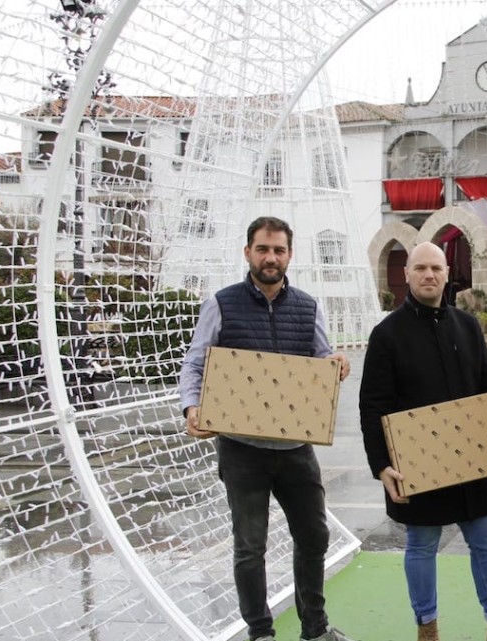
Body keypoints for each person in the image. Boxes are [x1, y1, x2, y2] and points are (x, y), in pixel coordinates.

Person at [179, 216, 357, 641]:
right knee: (250, 546)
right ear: (248, 253)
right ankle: (260, 632)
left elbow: (322, 359)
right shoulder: (222, 303)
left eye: (278, 250)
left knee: (314, 536)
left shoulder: (308, 306)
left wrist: (338, 366)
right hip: (242, 448)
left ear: (289, 255)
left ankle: (315, 629)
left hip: (296, 446)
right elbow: (196, 363)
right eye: (263, 249)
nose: (271, 257)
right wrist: (191, 407)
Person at [359, 241, 487, 641]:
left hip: (469, 461)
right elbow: (373, 406)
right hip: (415, 464)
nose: (429, 275)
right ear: (407, 274)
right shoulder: (385, 335)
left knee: (486, 544)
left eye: (436, 268)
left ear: (447, 273)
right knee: (421, 547)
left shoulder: (467, 325)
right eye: (420, 268)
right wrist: (381, 465)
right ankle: (428, 630)